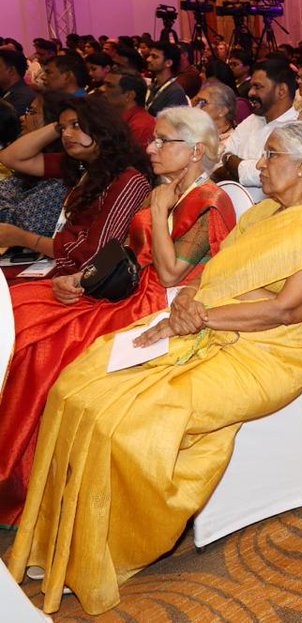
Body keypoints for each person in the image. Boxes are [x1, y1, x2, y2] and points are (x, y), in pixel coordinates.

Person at [8, 122, 302, 615]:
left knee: (128, 417)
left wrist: (200, 318)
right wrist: (190, 299)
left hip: (273, 351)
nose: (259, 164)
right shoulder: (264, 214)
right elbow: (213, 272)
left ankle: (102, 550)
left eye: (271, 155)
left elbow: (288, 310)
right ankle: (61, 537)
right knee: (78, 385)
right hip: (213, 323)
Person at [0, 108, 236, 526]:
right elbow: (123, 252)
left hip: (161, 303)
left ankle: (24, 479)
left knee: (42, 344)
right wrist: (79, 278)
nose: (152, 148)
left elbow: (170, 273)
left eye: (163, 141)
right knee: (22, 307)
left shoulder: (211, 201)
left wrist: (160, 212)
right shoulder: (163, 189)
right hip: (126, 287)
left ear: (196, 151)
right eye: (154, 139)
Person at [0, 96, 152, 275]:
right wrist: (59, 125)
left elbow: (94, 255)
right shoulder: (81, 165)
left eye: (76, 125)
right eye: (62, 129)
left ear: (101, 126)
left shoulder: (128, 180)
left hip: (85, 276)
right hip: (60, 265)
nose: (66, 134)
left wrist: (24, 238)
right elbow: (10, 158)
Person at [211, 59, 301, 199]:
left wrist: (232, 164)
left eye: (258, 87)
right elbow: (218, 160)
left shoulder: (297, 129)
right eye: (252, 86)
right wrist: (232, 162)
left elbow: (272, 174)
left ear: (281, 91)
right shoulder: (252, 120)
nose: (250, 93)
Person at [0, 91, 71, 239]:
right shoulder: (36, 160)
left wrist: (61, 124)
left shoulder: (66, 169)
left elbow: (23, 223)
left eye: (31, 112)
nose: (22, 117)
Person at [99, 69, 157, 149]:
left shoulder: (141, 126)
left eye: (109, 86)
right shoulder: (112, 118)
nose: (102, 89)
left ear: (129, 95)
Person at [193, 81, 238, 155]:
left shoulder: (231, 144)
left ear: (222, 111)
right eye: (196, 102)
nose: (196, 108)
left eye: (203, 103)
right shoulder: (193, 132)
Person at [145, 41, 189, 115]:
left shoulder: (175, 92)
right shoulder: (152, 86)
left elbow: (172, 121)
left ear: (168, 63)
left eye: (154, 57)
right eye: (149, 55)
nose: (148, 59)